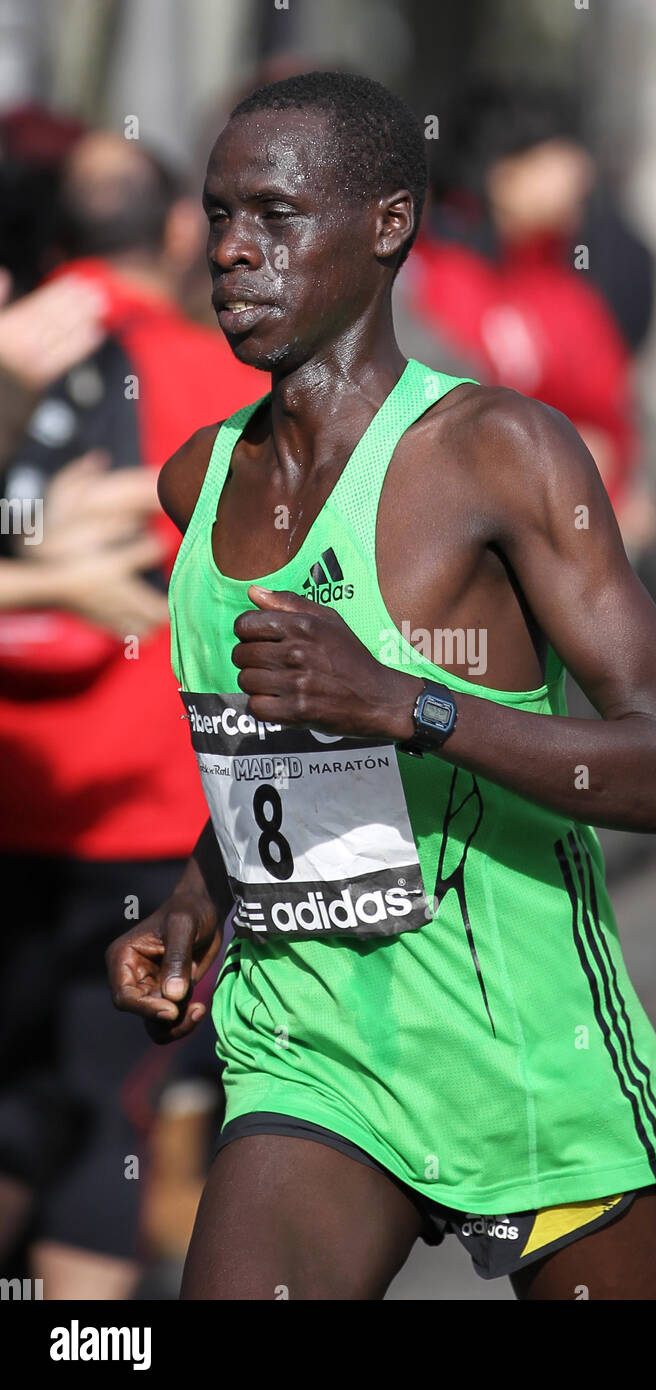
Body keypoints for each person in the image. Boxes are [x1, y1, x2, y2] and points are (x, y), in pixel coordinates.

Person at [107, 71, 656, 1301]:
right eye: (221, 215)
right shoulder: (197, 481)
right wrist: (192, 903)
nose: (232, 250)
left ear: (386, 224)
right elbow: (277, 767)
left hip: (523, 1038)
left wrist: (407, 701)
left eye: (275, 216)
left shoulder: (498, 453)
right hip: (311, 1048)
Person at [0, 129, 260, 1299]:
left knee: (20, 1101)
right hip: (151, 813)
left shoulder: (19, 354)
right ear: (174, 233)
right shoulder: (223, 379)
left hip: (16, 792)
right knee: (111, 1117)